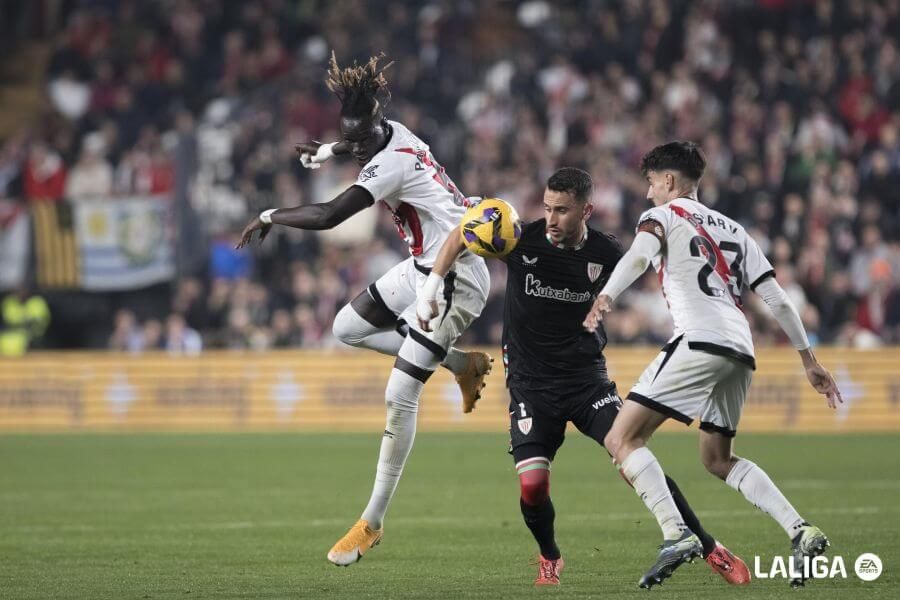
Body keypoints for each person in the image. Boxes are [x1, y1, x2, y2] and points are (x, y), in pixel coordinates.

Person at [418, 167, 749, 586]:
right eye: (548, 208)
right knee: (533, 487)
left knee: (635, 459)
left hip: (587, 382)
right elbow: (460, 235)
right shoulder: (521, 239)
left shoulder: (608, 253)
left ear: (586, 210)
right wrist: (431, 288)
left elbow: (654, 274)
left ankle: (708, 546)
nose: (552, 219)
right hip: (531, 387)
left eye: (563, 211)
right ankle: (550, 555)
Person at [236, 53, 493, 566]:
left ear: (377, 124)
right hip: (423, 266)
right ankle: (462, 364)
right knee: (346, 326)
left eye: (359, 139)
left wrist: (269, 214)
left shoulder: (389, 163)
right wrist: (331, 149)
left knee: (400, 394)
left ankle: (371, 522)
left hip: (456, 277)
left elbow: (331, 215)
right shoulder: (392, 130)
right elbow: (361, 142)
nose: (354, 148)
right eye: (348, 139)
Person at [583, 142, 843, 588]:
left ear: (668, 181)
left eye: (650, 183)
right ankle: (801, 530)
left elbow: (641, 254)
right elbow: (776, 299)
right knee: (717, 458)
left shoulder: (663, 217)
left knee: (620, 437)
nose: (647, 194)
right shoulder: (736, 229)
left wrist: (608, 293)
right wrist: (808, 359)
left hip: (699, 340)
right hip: (741, 350)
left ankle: (675, 532)